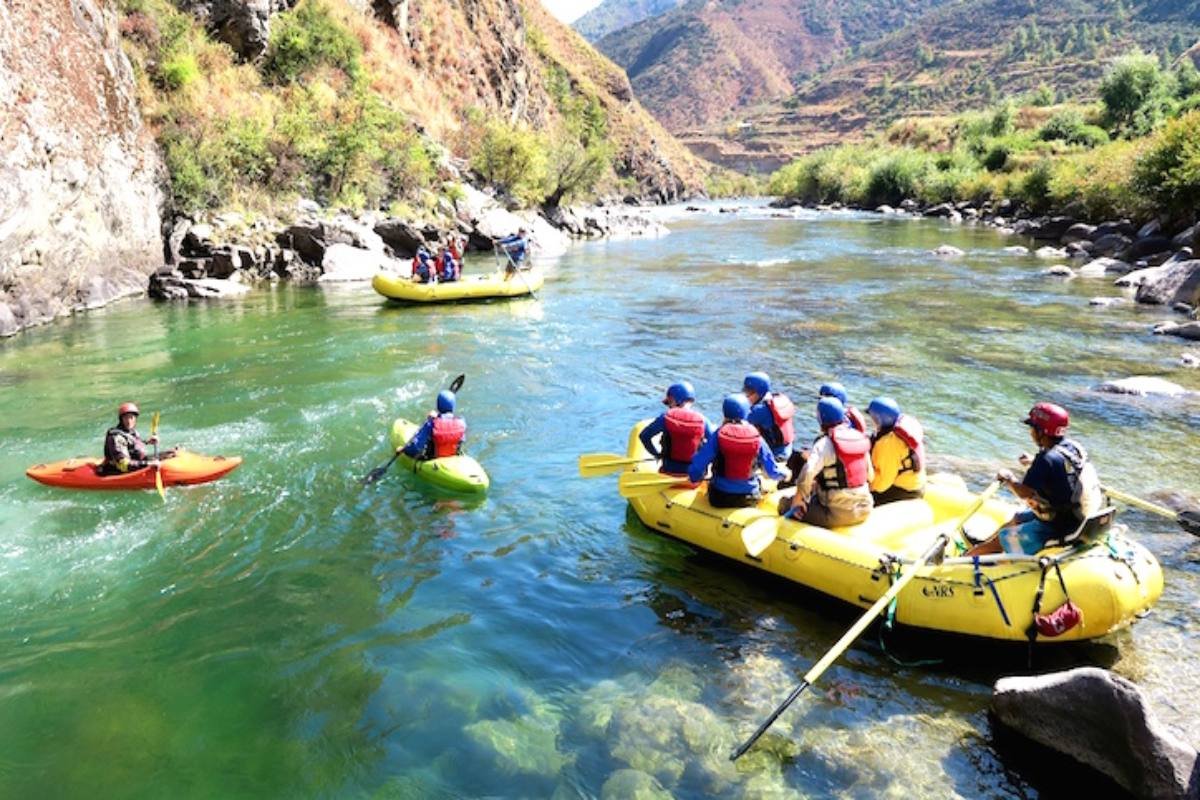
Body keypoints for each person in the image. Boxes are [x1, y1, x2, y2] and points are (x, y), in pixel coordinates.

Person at [967, 402, 1103, 556]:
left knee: (1004, 538)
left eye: (1032, 428)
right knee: (1017, 519)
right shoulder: (1072, 447)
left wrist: (1008, 478)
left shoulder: (1046, 459)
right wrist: (1033, 462)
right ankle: (985, 544)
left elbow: (1024, 493)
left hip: (1059, 525)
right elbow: (1065, 470)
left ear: (1041, 432)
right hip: (1075, 516)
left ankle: (968, 558)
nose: (1030, 432)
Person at [784, 397, 874, 527]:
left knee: (784, 504)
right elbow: (870, 476)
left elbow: (807, 471)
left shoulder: (824, 443)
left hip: (837, 514)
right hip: (865, 509)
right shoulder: (859, 438)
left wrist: (798, 499)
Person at [689, 394, 785, 508]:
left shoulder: (719, 434)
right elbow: (772, 472)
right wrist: (785, 475)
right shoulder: (756, 437)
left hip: (719, 497)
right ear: (746, 413)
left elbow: (697, 466)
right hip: (749, 498)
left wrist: (694, 479)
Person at [639, 381, 716, 476]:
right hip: (695, 476)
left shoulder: (666, 417)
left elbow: (644, 436)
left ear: (675, 400)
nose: (669, 407)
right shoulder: (703, 420)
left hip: (669, 472)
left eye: (669, 403)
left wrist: (656, 454)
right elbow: (716, 445)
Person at [866, 396, 927, 505]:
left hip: (904, 491)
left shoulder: (888, 444)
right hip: (916, 484)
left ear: (878, 420)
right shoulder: (906, 426)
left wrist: (866, 486)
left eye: (873, 418)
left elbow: (883, 484)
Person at [101, 402, 174, 474]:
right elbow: (124, 465)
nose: (129, 421)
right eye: (126, 418)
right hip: (120, 470)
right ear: (121, 419)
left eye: (131, 417)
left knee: (171, 453)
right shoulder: (116, 438)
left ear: (135, 419)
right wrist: (148, 464)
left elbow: (132, 444)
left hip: (136, 462)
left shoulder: (131, 432)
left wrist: (148, 442)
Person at [743, 372, 796, 461]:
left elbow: (737, 423)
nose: (745, 395)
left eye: (749, 391)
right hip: (787, 450)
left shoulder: (759, 410)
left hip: (775, 456)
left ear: (759, 392)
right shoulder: (773, 400)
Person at [400, 390, 466, 460]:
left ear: (438, 406)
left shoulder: (432, 423)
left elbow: (415, 448)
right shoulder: (461, 422)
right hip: (454, 457)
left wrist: (404, 450)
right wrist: (438, 416)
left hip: (434, 459)